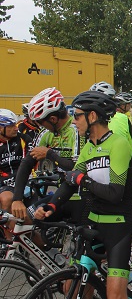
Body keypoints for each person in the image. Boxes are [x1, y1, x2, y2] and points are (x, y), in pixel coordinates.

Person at [32, 90, 132, 299]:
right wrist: (51, 206)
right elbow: (69, 182)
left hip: (117, 228)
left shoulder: (119, 144)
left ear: (92, 116)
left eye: (77, 116)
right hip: (91, 226)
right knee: (72, 286)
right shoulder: (88, 148)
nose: (73, 121)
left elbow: (114, 193)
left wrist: (82, 181)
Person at [11, 87, 86, 223]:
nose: (40, 126)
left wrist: (49, 154)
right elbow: (27, 162)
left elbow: (76, 168)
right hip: (59, 196)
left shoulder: (76, 131)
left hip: (80, 196)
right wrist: (17, 199)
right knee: (23, 219)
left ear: (52, 119)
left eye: (40, 122)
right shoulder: (46, 134)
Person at [0, 109, 32, 233]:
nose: (16, 128)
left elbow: (31, 163)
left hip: (25, 180)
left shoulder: (23, 139)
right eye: (11, 126)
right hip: (4, 183)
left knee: (7, 199)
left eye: (15, 124)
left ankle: (13, 241)